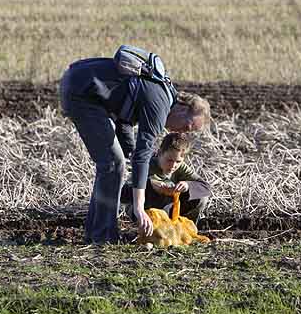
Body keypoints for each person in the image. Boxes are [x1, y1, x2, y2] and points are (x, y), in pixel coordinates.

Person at [59, 53, 211, 243]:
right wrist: (139, 208)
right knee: (113, 163)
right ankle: (103, 235)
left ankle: (97, 232)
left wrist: (137, 161)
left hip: (81, 84)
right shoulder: (160, 105)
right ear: (181, 108)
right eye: (187, 126)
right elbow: (142, 154)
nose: (183, 133)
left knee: (117, 160)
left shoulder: (160, 93)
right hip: (81, 92)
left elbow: (125, 120)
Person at [122, 132, 212, 222]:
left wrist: (187, 185)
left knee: (201, 197)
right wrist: (149, 186)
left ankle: (184, 226)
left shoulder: (181, 167)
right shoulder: (146, 164)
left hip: (168, 208)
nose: (173, 165)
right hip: (143, 210)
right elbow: (123, 194)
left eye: (178, 161)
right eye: (169, 160)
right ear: (160, 153)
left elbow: (206, 187)